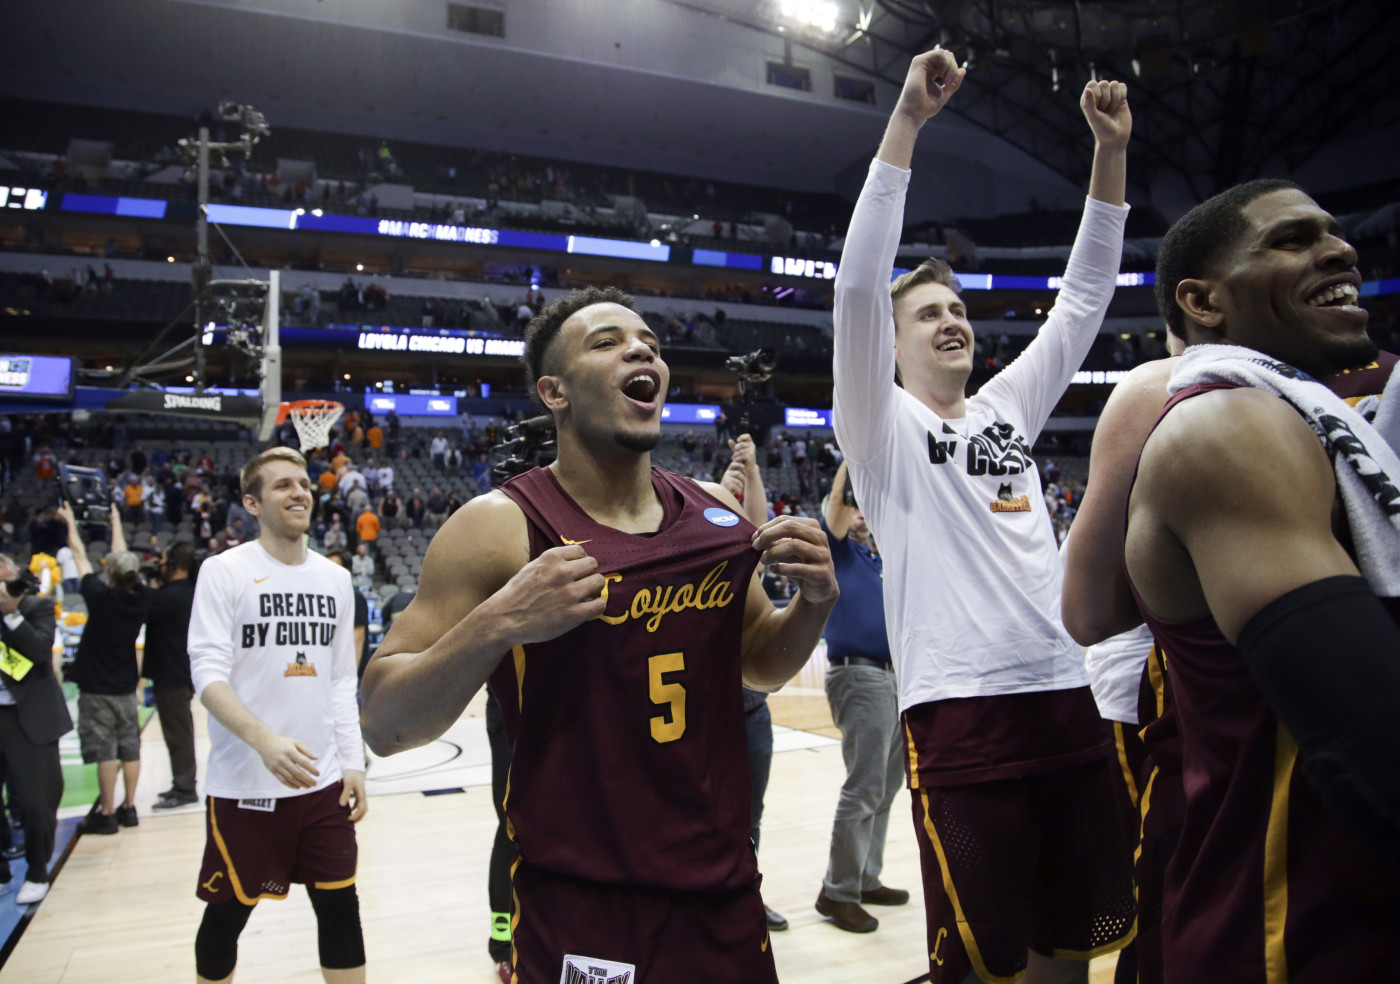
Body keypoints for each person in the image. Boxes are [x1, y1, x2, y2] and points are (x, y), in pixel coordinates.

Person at [360, 287, 838, 984]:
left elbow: (760, 663)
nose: (641, 348)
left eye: (648, 341)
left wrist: (815, 603)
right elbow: (383, 723)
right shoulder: (496, 526)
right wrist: (501, 621)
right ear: (554, 392)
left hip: (722, 891)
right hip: (579, 903)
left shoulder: (717, 511)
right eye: (607, 341)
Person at [833, 46, 1136, 984]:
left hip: (1066, 697)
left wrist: (1110, 153)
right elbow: (854, 289)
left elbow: (1084, 300)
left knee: (1071, 946)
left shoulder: (1007, 409)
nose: (951, 320)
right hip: (961, 715)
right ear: (889, 343)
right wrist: (908, 124)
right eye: (927, 314)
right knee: (982, 963)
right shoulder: (880, 430)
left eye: (958, 307)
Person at [1122, 180, 1400, 983]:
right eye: (1290, 239)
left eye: (1336, 233)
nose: (1341, 248)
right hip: (1292, 934)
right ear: (1203, 301)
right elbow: (1372, 745)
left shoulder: (1323, 425)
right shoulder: (1226, 426)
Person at [187, 447, 368, 984]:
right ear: (251, 503)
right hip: (247, 781)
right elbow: (208, 676)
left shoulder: (335, 579)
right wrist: (264, 741)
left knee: (341, 907)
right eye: (283, 485)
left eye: (304, 482)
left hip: (323, 782)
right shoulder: (224, 571)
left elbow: (340, 680)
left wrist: (353, 762)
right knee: (227, 914)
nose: (299, 492)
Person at [813, 460, 907, 935]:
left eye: (871, 509)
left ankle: (867, 878)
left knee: (886, 787)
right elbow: (839, 505)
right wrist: (857, 449)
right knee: (864, 785)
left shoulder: (877, 561)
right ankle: (838, 891)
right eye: (857, 509)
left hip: (894, 680)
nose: (862, 515)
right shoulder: (837, 552)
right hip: (860, 677)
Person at [61, 501, 149, 835]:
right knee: (130, 747)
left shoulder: (99, 597)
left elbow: (79, 554)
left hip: (97, 688)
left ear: (110, 574)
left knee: (106, 752)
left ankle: (108, 813)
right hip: (127, 685)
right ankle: (129, 808)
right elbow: (122, 558)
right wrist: (116, 521)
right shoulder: (140, 597)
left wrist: (70, 521)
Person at [0, 553, 72, 904]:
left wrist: (11, 614)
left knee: (34, 801)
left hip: (27, 718)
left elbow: (39, 654)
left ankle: (37, 870)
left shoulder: (35, 607)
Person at [145, 540, 200, 811]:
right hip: (179, 671)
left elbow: (144, 609)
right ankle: (182, 783)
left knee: (178, 732)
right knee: (178, 731)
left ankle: (185, 787)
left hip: (172, 673)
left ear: (174, 565)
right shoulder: (188, 591)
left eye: (164, 559)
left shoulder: (171, 595)